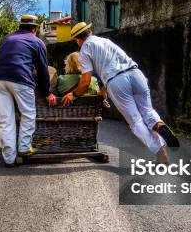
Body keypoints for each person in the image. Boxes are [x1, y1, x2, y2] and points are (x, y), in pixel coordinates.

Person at [61, 22, 179, 163]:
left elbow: (85, 81)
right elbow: (112, 65)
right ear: (90, 32)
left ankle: (161, 153)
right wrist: (104, 90)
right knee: (148, 111)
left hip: (117, 81)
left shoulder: (84, 50)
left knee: (135, 122)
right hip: (135, 73)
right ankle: (159, 124)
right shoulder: (106, 41)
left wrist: (73, 95)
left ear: (78, 40)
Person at [0, 15, 57, 167]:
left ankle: (9, 158)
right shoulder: (37, 42)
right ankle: (24, 148)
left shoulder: (7, 39)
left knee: (5, 119)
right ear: (35, 29)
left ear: (20, 26)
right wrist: (47, 93)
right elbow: (42, 70)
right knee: (28, 113)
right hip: (21, 79)